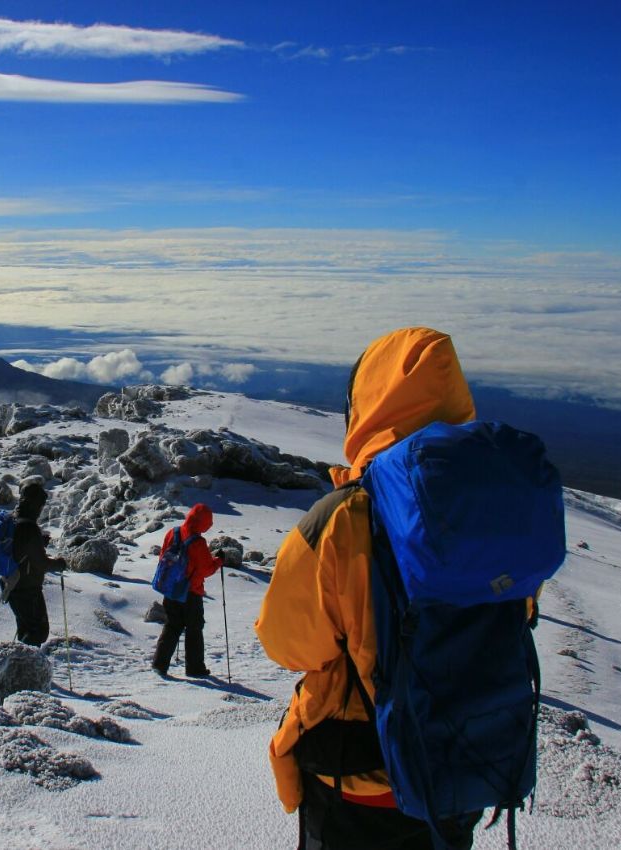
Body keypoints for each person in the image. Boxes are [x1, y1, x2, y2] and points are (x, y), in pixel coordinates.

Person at [255, 328, 482, 850]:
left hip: (359, 777)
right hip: (465, 761)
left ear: (369, 404)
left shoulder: (342, 519)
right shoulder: (494, 506)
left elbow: (286, 643)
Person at [152, 503, 224, 678]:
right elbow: (206, 569)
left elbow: (163, 556)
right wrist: (219, 560)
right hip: (191, 592)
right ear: (202, 522)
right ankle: (194, 668)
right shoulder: (198, 542)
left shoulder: (173, 532)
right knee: (194, 629)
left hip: (171, 589)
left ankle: (159, 664)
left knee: (172, 625)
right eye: (209, 522)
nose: (210, 525)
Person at [6, 482, 67, 646]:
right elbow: (41, 563)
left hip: (12, 584)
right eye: (40, 504)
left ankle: (21, 664)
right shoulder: (29, 526)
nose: (41, 509)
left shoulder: (14, 521)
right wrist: (59, 564)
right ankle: (26, 667)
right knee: (37, 632)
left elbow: (21, 550)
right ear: (35, 503)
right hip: (28, 587)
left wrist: (40, 543)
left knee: (26, 630)